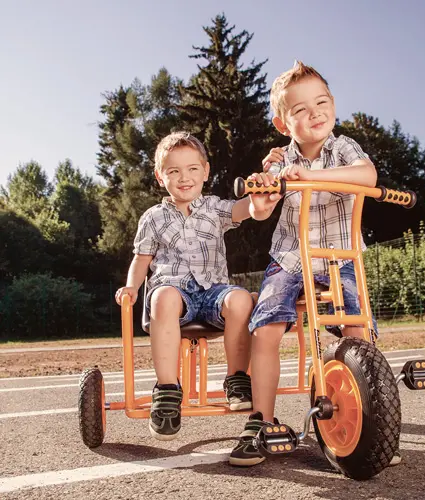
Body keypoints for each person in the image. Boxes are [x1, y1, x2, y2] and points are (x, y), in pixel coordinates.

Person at [229, 61, 401, 467]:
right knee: (267, 327)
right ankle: (260, 421)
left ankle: (371, 423)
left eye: (322, 103)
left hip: (341, 256)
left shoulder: (343, 148)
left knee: (357, 327)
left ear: (333, 104)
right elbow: (260, 208)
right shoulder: (277, 161)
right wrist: (263, 196)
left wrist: (307, 177)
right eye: (301, 109)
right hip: (291, 257)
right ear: (283, 124)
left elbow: (367, 174)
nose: (315, 113)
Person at [115, 131, 255, 441]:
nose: (184, 177)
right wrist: (131, 287)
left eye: (192, 169)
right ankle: (167, 389)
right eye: (174, 171)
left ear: (205, 171)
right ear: (160, 176)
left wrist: (262, 196)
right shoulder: (153, 218)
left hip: (213, 292)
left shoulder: (214, 208)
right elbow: (141, 259)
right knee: (163, 297)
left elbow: (244, 209)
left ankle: (236, 380)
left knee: (241, 299)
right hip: (174, 291)